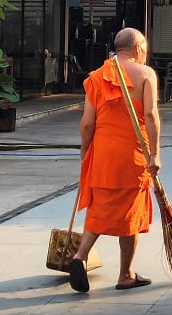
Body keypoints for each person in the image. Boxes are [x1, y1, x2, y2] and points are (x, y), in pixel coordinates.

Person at [68, 27, 160, 294]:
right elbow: (152, 116)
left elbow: (86, 124)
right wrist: (156, 154)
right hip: (133, 152)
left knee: (101, 207)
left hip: (104, 153)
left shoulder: (97, 76)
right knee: (130, 210)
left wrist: (85, 154)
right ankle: (125, 273)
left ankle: (80, 257)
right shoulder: (145, 74)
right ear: (138, 48)